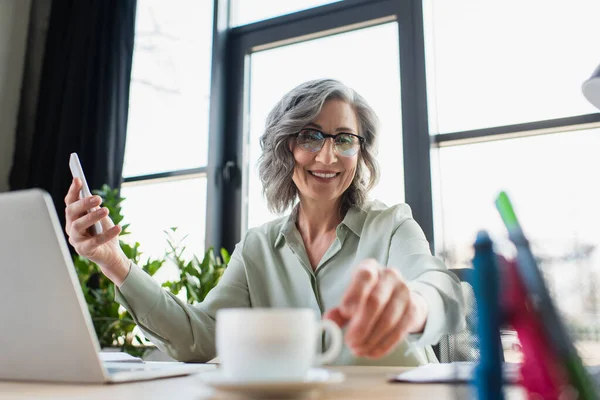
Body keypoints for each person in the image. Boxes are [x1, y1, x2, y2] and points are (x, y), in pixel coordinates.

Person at [64, 79, 465, 366]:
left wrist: (411, 307)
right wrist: (113, 261)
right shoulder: (258, 248)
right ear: (284, 147)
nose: (327, 157)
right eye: (311, 136)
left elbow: (442, 292)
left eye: (344, 139)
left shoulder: (393, 224)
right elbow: (196, 339)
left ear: (360, 153)